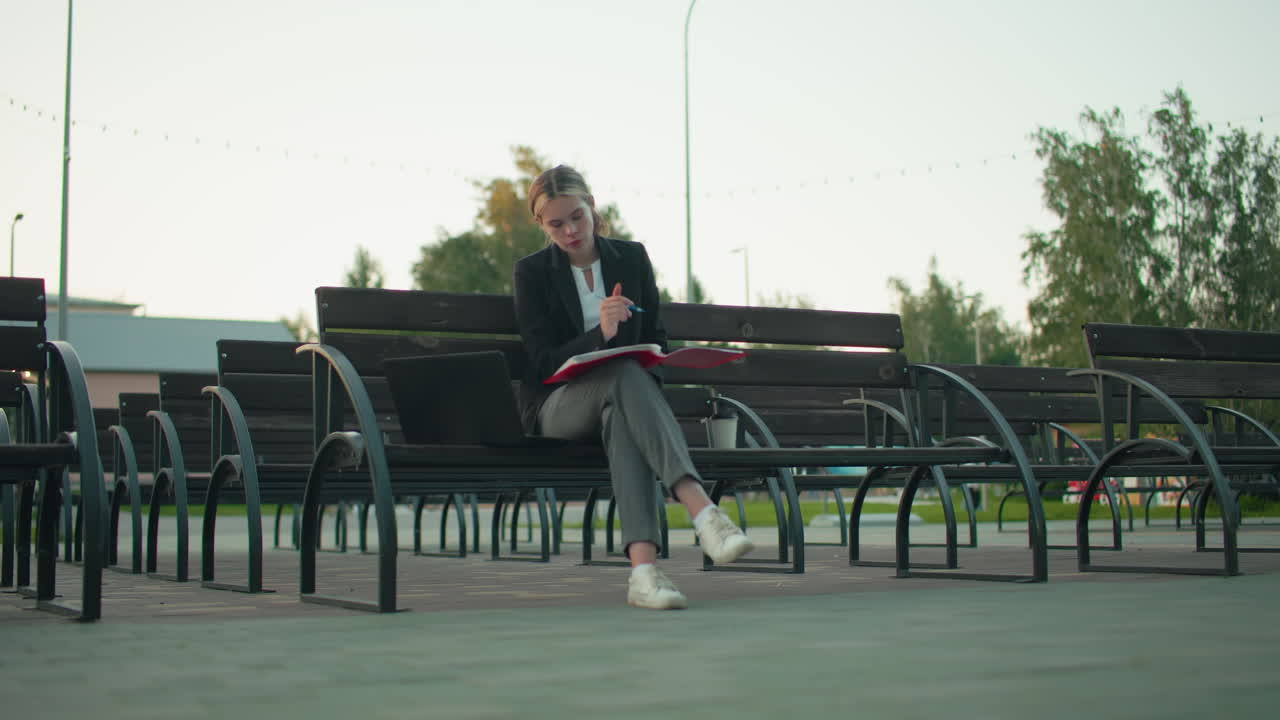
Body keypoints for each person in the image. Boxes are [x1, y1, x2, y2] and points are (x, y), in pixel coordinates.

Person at [512, 164, 754, 610]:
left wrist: (656, 358)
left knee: (623, 411)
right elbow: (541, 362)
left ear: (592, 207)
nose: (570, 231)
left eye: (577, 217)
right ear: (541, 224)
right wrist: (599, 335)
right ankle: (702, 509)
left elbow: (656, 335)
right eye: (556, 224)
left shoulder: (630, 258)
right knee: (624, 376)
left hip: (621, 400)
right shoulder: (532, 272)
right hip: (557, 408)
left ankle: (644, 574)